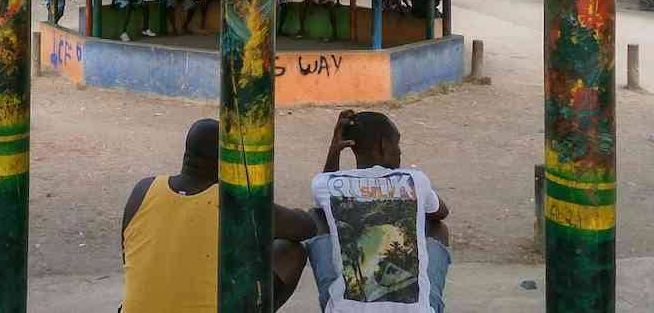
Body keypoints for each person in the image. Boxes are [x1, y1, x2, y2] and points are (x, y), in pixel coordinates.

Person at [120, 119, 315, 312]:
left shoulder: (143, 190)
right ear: (227, 160)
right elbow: (306, 227)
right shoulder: (234, 203)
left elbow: (129, 257)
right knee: (289, 251)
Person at [305, 111, 451, 312]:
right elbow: (441, 212)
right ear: (384, 145)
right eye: (396, 143)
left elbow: (324, 201)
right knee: (437, 228)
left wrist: (334, 150)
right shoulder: (415, 179)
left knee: (318, 218)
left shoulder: (325, 183)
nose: (399, 151)